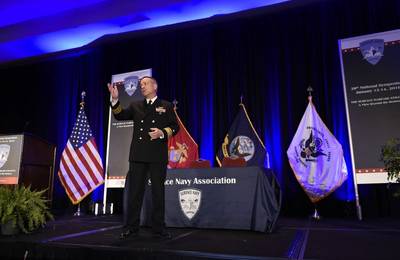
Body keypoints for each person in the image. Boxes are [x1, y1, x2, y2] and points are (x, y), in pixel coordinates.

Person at [108, 76, 179, 239]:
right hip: (138, 155)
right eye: (141, 85)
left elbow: (175, 127)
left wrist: (162, 133)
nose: (142, 86)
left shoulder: (166, 105)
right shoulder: (136, 105)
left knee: (157, 193)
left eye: (145, 84)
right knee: (135, 193)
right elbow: (120, 115)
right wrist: (115, 99)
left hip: (157, 155)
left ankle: (159, 228)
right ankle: (131, 227)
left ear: (155, 86)